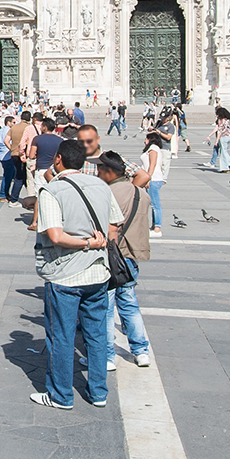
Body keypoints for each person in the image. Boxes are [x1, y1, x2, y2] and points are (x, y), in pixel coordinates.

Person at [30, 139, 122, 410]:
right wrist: (100, 241)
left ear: (58, 160)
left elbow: (56, 236)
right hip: (98, 273)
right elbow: (115, 226)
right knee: (95, 336)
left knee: (61, 336)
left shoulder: (52, 190)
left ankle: (61, 395)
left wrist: (86, 243)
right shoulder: (101, 186)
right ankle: (98, 392)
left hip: (65, 276)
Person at [96, 152, 152, 370]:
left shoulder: (106, 194)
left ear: (110, 171)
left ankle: (108, 356)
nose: (98, 174)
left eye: (100, 170)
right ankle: (141, 351)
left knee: (107, 307)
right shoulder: (141, 194)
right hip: (131, 257)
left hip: (112, 257)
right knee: (129, 304)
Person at [205, 108, 230, 173]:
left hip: (223, 137)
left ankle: (225, 168)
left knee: (223, 153)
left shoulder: (221, 121)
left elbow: (219, 131)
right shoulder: (228, 120)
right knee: (225, 151)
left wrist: (216, 140)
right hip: (229, 136)